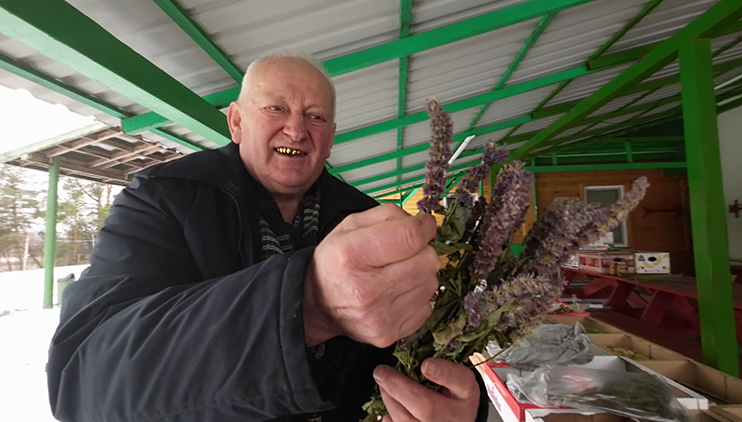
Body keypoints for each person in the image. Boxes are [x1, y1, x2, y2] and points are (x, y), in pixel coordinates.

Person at [47, 50, 488, 422]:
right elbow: (84, 382)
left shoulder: (367, 217)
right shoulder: (162, 199)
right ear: (236, 121)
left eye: (315, 116)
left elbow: (426, 345)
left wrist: (468, 407)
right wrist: (307, 302)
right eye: (276, 108)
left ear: (331, 139)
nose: (297, 129)